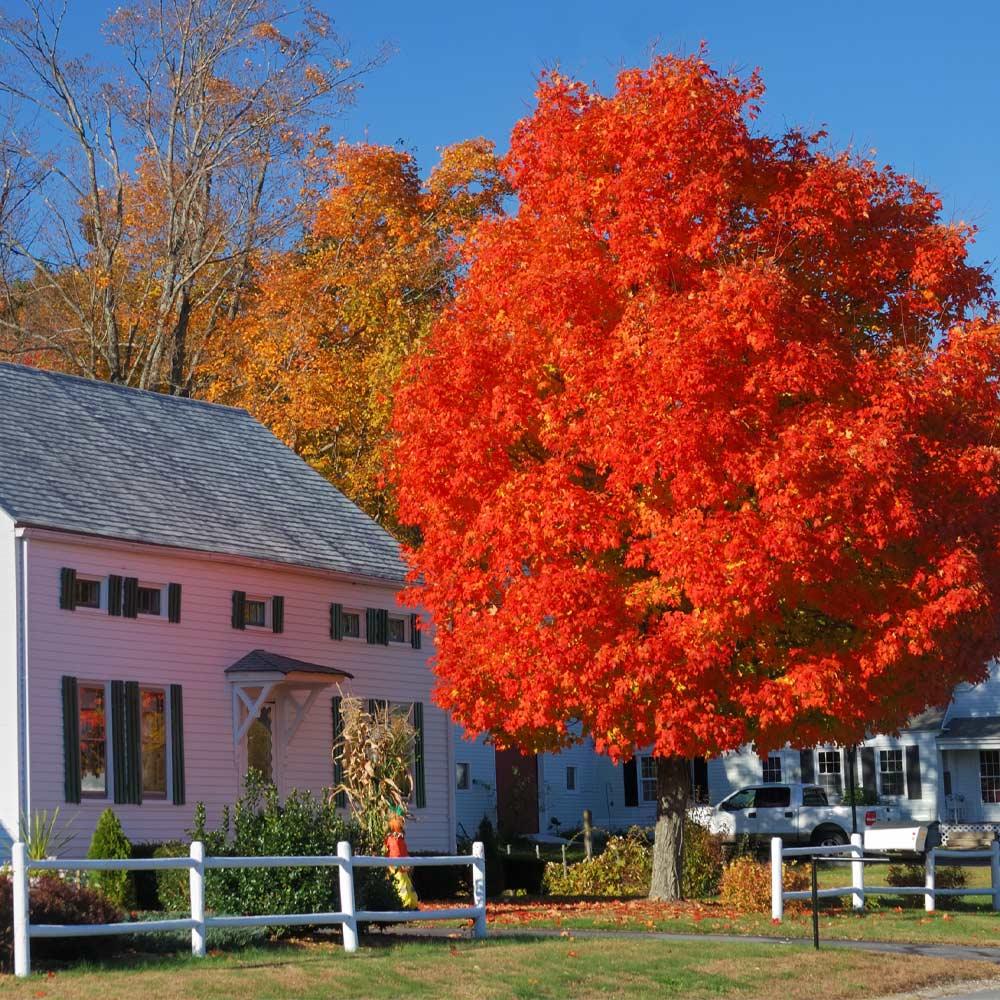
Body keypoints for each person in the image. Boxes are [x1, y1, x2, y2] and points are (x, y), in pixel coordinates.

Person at [385, 807, 418, 909]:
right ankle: (405, 905)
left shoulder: (399, 838)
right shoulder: (393, 839)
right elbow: (395, 854)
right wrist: (401, 865)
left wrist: (407, 862)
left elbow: (402, 852)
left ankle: (410, 904)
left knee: (407, 888)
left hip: (401, 868)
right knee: (402, 888)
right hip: (396, 869)